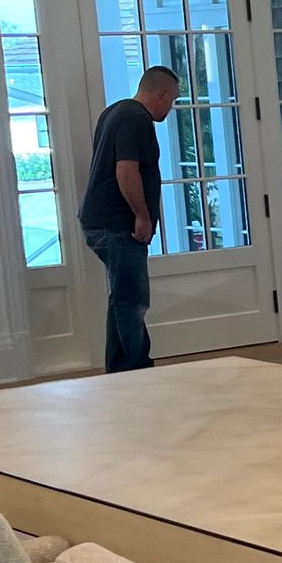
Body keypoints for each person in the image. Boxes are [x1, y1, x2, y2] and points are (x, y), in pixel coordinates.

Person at [78, 65, 179, 373]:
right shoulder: (137, 119)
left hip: (98, 220)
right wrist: (142, 216)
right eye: (172, 100)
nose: (170, 108)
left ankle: (120, 369)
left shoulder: (113, 112)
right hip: (117, 224)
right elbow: (125, 170)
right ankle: (136, 370)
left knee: (120, 299)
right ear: (161, 93)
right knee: (132, 300)